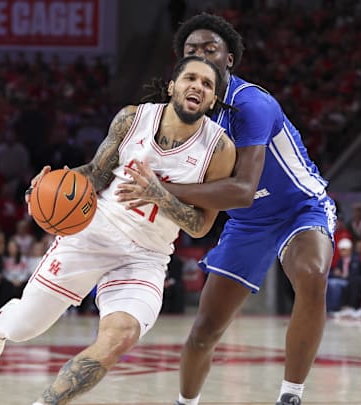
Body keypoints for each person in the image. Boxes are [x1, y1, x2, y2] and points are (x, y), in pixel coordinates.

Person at [0, 56, 236, 405]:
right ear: (172, 86)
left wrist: (159, 194)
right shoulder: (132, 118)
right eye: (191, 78)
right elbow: (97, 173)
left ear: (213, 100)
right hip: (94, 232)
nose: (198, 87)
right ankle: (0, 325)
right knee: (26, 327)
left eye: (207, 84)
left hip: (147, 256)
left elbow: (201, 226)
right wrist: (50, 185)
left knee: (119, 338)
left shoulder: (219, 149)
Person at [116, 13, 336, 405]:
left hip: (298, 209)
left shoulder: (253, 103)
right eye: (191, 51)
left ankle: (291, 395)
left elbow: (243, 189)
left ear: (228, 59)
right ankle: (186, 403)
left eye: (210, 49)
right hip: (246, 223)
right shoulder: (181, 113)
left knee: (312, 274)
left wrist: (161, 189)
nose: (201, 55)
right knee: (205, 330)